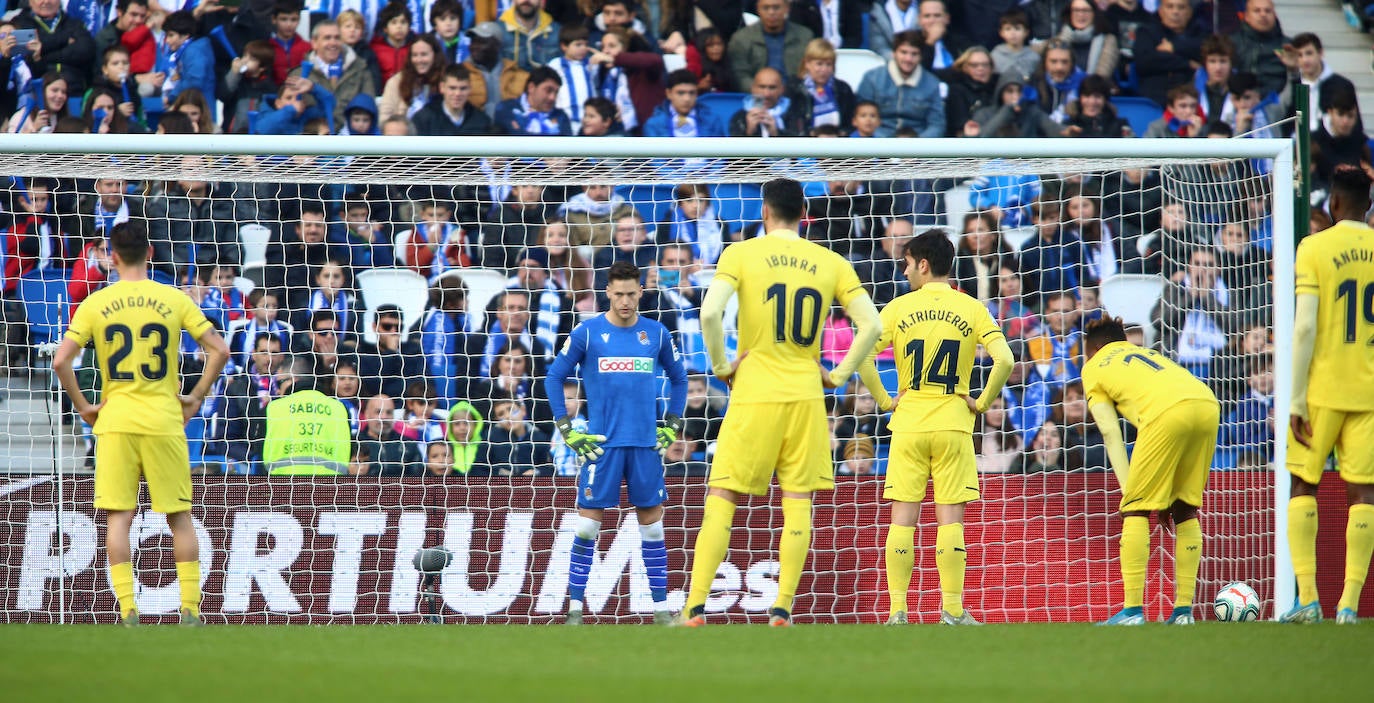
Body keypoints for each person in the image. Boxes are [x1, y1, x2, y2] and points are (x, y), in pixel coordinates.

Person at [678, 178, 881, 627]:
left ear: (765, 212)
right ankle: (783, 608)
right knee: (798, 501)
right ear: (803, 214)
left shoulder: (742, 253)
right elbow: (871, 325)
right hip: (807, 395)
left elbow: (710, 313)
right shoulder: (831, 261)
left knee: (723, 495)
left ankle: (694, 607)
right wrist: (838, 375)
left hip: (754, 391)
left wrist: (721, 367)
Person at [52, 221, 230, 626]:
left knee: (119, 518)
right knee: (179, 516)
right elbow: (218, 350)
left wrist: (83, 406)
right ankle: (190, 609)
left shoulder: (96, 303)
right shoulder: (173, 298)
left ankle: (128, 609)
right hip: (164, 418)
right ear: (150, 253)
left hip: (116, 419)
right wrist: (196, 397)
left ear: (112, 257)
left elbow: (61, 360)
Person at [856, 229, 1014, 625]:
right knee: (950, 521)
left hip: (908, 424)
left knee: (902, 521)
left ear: (923, 264)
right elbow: (1006, 360)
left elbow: (862, 357)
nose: (905, 271)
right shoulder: (973, 307)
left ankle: (897, 611)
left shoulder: (897, 308)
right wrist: (980, 402)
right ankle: (953, 611)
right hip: (953, 425)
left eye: (907, 263)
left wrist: (886, 401)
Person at [544, 260, 688, 625]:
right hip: (601, 446)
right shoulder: (587, 333)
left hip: (644, 446)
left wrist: (671, 424)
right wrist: (567, 428)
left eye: (631, 293)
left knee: (653, 529)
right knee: (587, 527)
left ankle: (660, 611)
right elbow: (554, 377)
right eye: (618, 294)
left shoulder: (655, 333)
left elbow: (680, 379)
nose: (625, 301)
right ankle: (575, 609)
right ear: (607, 292)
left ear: (641, 291)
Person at [1081, 316, 1219, 625]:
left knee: (1136, 510)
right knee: (1185, 508)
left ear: (1096, 348)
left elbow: (1109, 431)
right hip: (1207, 404)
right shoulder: (1147, 354)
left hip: (1166, 413)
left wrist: (1130, 491)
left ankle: (1132, 612)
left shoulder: (1093, 366)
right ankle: (1183, 612)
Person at [1283, 166, 1374, 625]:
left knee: (1304, 483)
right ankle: (1350, 606)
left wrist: (1296, 399)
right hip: (1370, 392)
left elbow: (1304, 327)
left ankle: (1308, 599)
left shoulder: (1314, 247)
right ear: (1369, 205)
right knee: (1364, 493)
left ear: (1333, 204)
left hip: (1321, 388)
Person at [855, 30, 944, 138]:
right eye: (903, 52)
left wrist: (917, 145)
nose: (908, 59)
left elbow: (937, 124)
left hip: (918, 145)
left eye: (914, 54)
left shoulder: (932, 83)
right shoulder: (872, 78)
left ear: (921, 56)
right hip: (878, 144)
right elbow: (861, 118)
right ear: (894, 53)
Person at [262, 371, 351, 474]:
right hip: (330, 484)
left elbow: (259, 444)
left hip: (282, 483)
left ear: (294, 380)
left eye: (280, 382)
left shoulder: (274, 407)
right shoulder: (339, 408)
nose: (277, 389)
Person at [727, 0, 813, 89]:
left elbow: (810, 71)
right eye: (766, 8)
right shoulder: (741, 39)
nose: (771, 12)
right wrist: (759, 90)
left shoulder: (805, 36)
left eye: (776, 7)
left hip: (796, 94)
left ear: (787, 8)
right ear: (758, 9)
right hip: (756, 97)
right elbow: (740, 74)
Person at [412, 64, 495, 136]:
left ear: (470, 89)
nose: (457, 94)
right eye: (452, 88)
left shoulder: (481, 121)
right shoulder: (423, 119)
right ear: (442, 88)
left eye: (463, 88)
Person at [641, 68, 726, 137]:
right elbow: (656, 157)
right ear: (668, 93)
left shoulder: (712, 120)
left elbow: (720, 155)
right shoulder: (654, 124)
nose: (687, 99)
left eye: (692, 93)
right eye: (681, 93)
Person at [1227, 0, 1288, 97]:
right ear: (1246, 16)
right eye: (1257, 11)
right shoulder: (1230, 44)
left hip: (1277, 103)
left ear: (1275, 15)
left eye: (1268, 11)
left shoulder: (1287, 47)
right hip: (1237, 101)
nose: (1263, 14)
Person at [495, 65, 573, 135]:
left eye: (556, 92)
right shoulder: (506, 109)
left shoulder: (560, 116)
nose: (552, 97)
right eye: (548, 90)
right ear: (531, 87)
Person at [729, 66, 806, 137]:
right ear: (752, 89)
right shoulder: (740, 117)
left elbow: (798, 148)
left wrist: (776, 134)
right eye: (762, 87)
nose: (766, 94)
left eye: (772, 88)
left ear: (782, 90)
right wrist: (749, 132)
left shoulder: (793, 115)